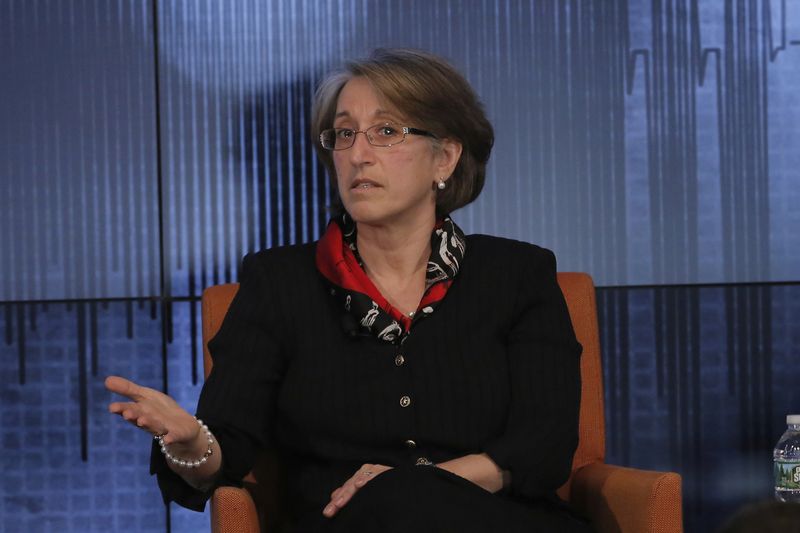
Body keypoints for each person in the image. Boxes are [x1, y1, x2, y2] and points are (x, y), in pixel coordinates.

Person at [106, 48, 592, 532]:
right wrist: (192, 446)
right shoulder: (278, 283)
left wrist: (414, 485)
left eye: (386, 132)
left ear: (444, 157)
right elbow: (226, 448)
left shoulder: (517, 274)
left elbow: (544, 446)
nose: (357, 154)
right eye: (344, 134)